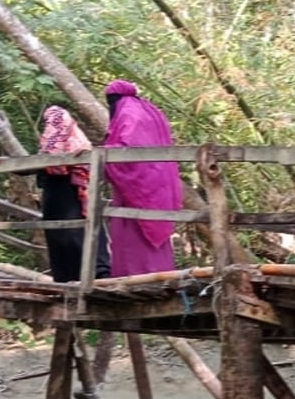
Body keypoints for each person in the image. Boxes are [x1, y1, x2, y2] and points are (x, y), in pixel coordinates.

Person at [102, 80, 183, 276]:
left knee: (134, 233)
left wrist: (100, 154)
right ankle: (159, 273)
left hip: (140, 186)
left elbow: (128, 153)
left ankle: (138, 276)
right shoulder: (148, 111)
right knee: (145, 227)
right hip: (157, 183)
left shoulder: (129, 114)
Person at [34, 104, 111, 282]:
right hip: (78, 191)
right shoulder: (77, 139)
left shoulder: (56, 138)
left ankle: (74, 277)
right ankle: (96, 272)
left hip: (62, 194)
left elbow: (52, 162)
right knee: (78, 233)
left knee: (67, 235)